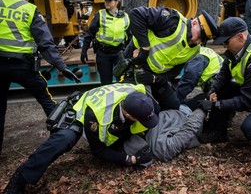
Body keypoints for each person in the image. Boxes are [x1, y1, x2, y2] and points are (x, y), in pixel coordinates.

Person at [3, 83, 158, 193]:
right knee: (63, 140)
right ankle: (21, 177)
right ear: (129, 115)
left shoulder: (140, 96)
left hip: (111, 111)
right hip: (81, 111)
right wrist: (131, 160)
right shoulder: (97, 115)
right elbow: (97, 150)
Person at [0, 0, 80, 156]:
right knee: (45, 98)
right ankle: (59, 137)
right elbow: (45, 44)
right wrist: (61, 66)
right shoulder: (29, 9)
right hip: (23, 67)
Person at [197, 17, 251, 150]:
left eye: (226, 42)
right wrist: (212, 90)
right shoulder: (235, 51)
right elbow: (223, 75)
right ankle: (218, 132)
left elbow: (248, 101)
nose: (224, 46)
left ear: (240, 37)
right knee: (222, 89)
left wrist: (215, 105)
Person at [117, 6, 219, 110]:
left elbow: (173, 73)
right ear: (194, 23)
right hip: (135, 62)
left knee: (173, 105)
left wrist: (154, 79)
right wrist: (145, 48)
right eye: (200, 36)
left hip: (153, 75)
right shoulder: (173, 20)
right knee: (138, 107)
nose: (198, 42)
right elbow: (136, 14)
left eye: (203, 40)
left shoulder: (195, 51)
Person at [81, 0, 131, 85]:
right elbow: (89, 34)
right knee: (106, 83)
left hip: (119, 53)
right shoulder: (100, 15)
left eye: (109, 1)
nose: (107, 3)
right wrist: (84, 51)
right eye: (105, 0)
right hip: (103, 54)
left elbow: (129, 37)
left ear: (117, 2)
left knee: (121, 82)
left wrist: (130, 53)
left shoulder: (125, 17)